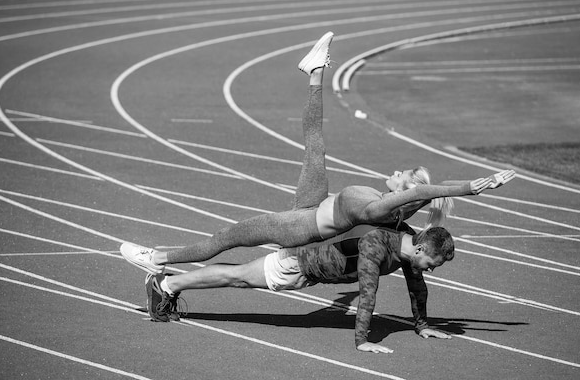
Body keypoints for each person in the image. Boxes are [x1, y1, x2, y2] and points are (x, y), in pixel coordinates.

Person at [121, 31, 515, 275]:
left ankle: (157, 258)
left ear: (404, 191)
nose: (395, 172)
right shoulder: (390, 211)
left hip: (298, 228)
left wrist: (469, 188)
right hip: (312, 206)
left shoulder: (381, 209)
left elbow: (417, 196)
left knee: (227, 237)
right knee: (315, 143)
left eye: (402, 175)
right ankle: (316, 71)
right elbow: (415, 206)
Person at [145, 223, 455, 353]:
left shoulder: (407, 240)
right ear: (420, 249)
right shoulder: (377, 246)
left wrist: (422, 325)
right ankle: (166, 283)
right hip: (299, 264)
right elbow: (368, 292)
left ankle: (169, 284)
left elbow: (418, 286)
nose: (431, 269)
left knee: (238, 276)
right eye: (433, 263)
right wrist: (362, 341)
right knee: (236, 277)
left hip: (308, 268)